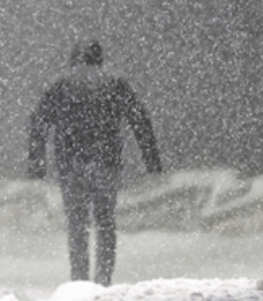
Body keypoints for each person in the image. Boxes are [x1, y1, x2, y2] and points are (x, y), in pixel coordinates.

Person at [27, 40, 162, 286]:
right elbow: (139, 119)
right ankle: (102, 280)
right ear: (99, 58)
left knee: (77, 226)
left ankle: (79, 280)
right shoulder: (115, 83)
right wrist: (151, 159)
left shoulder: (61, 85)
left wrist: (37, 164)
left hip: (70, 164)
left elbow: (39, 122)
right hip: (106, 162)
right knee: (105, 223)